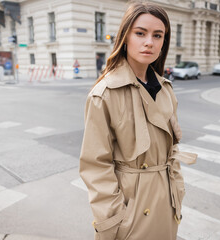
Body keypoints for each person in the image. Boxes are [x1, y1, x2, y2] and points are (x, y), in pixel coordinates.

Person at [79, 2, 197, 240]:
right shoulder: (105, 93)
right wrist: (113, 219)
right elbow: (96, 166)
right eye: (140, 33)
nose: (149, 42)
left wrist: (177, 191)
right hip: (132, 210)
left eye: (157, 35)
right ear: (125, 36)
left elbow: (172, 149)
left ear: (164, 41)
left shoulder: (165, 89)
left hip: (166, 201)